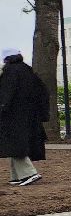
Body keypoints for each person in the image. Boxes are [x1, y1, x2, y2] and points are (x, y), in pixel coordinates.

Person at [0, 47, 47, 186]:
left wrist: (2, 108)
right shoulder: (27, 70)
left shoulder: (10, 72)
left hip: (13, 115)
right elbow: (42, 91)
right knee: (16, 144)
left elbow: (6, 94)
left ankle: (28, 173)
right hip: (30, 115)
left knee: (14, 145)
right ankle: (16, 175)